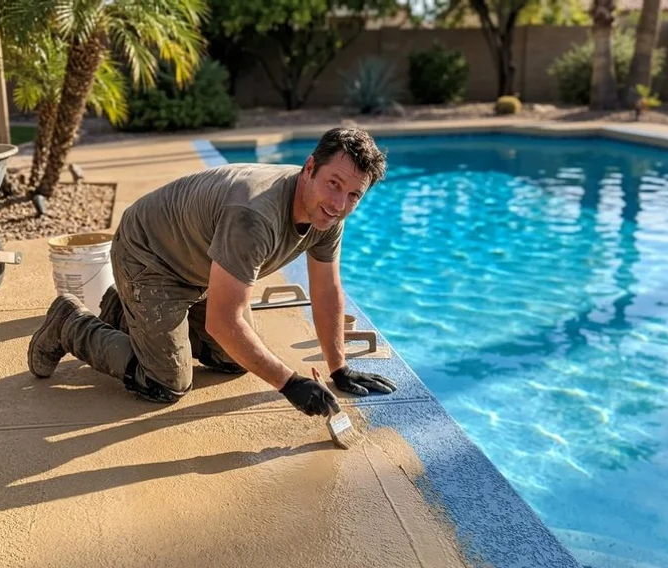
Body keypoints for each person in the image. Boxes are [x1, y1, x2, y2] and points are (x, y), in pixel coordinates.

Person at [28, 127, 397, 418]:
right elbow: (223, 321)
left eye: (354, 195)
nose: (338, 204)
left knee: (233, 360)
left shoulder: (327, 214)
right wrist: (290, 383)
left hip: (198, 265)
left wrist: (339, 369)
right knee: (166, 383)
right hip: (149, 255)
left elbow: (327, 290)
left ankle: (126, 311)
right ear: (310, 168)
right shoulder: (254, 215)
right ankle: (70, 323)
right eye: (334, 184)